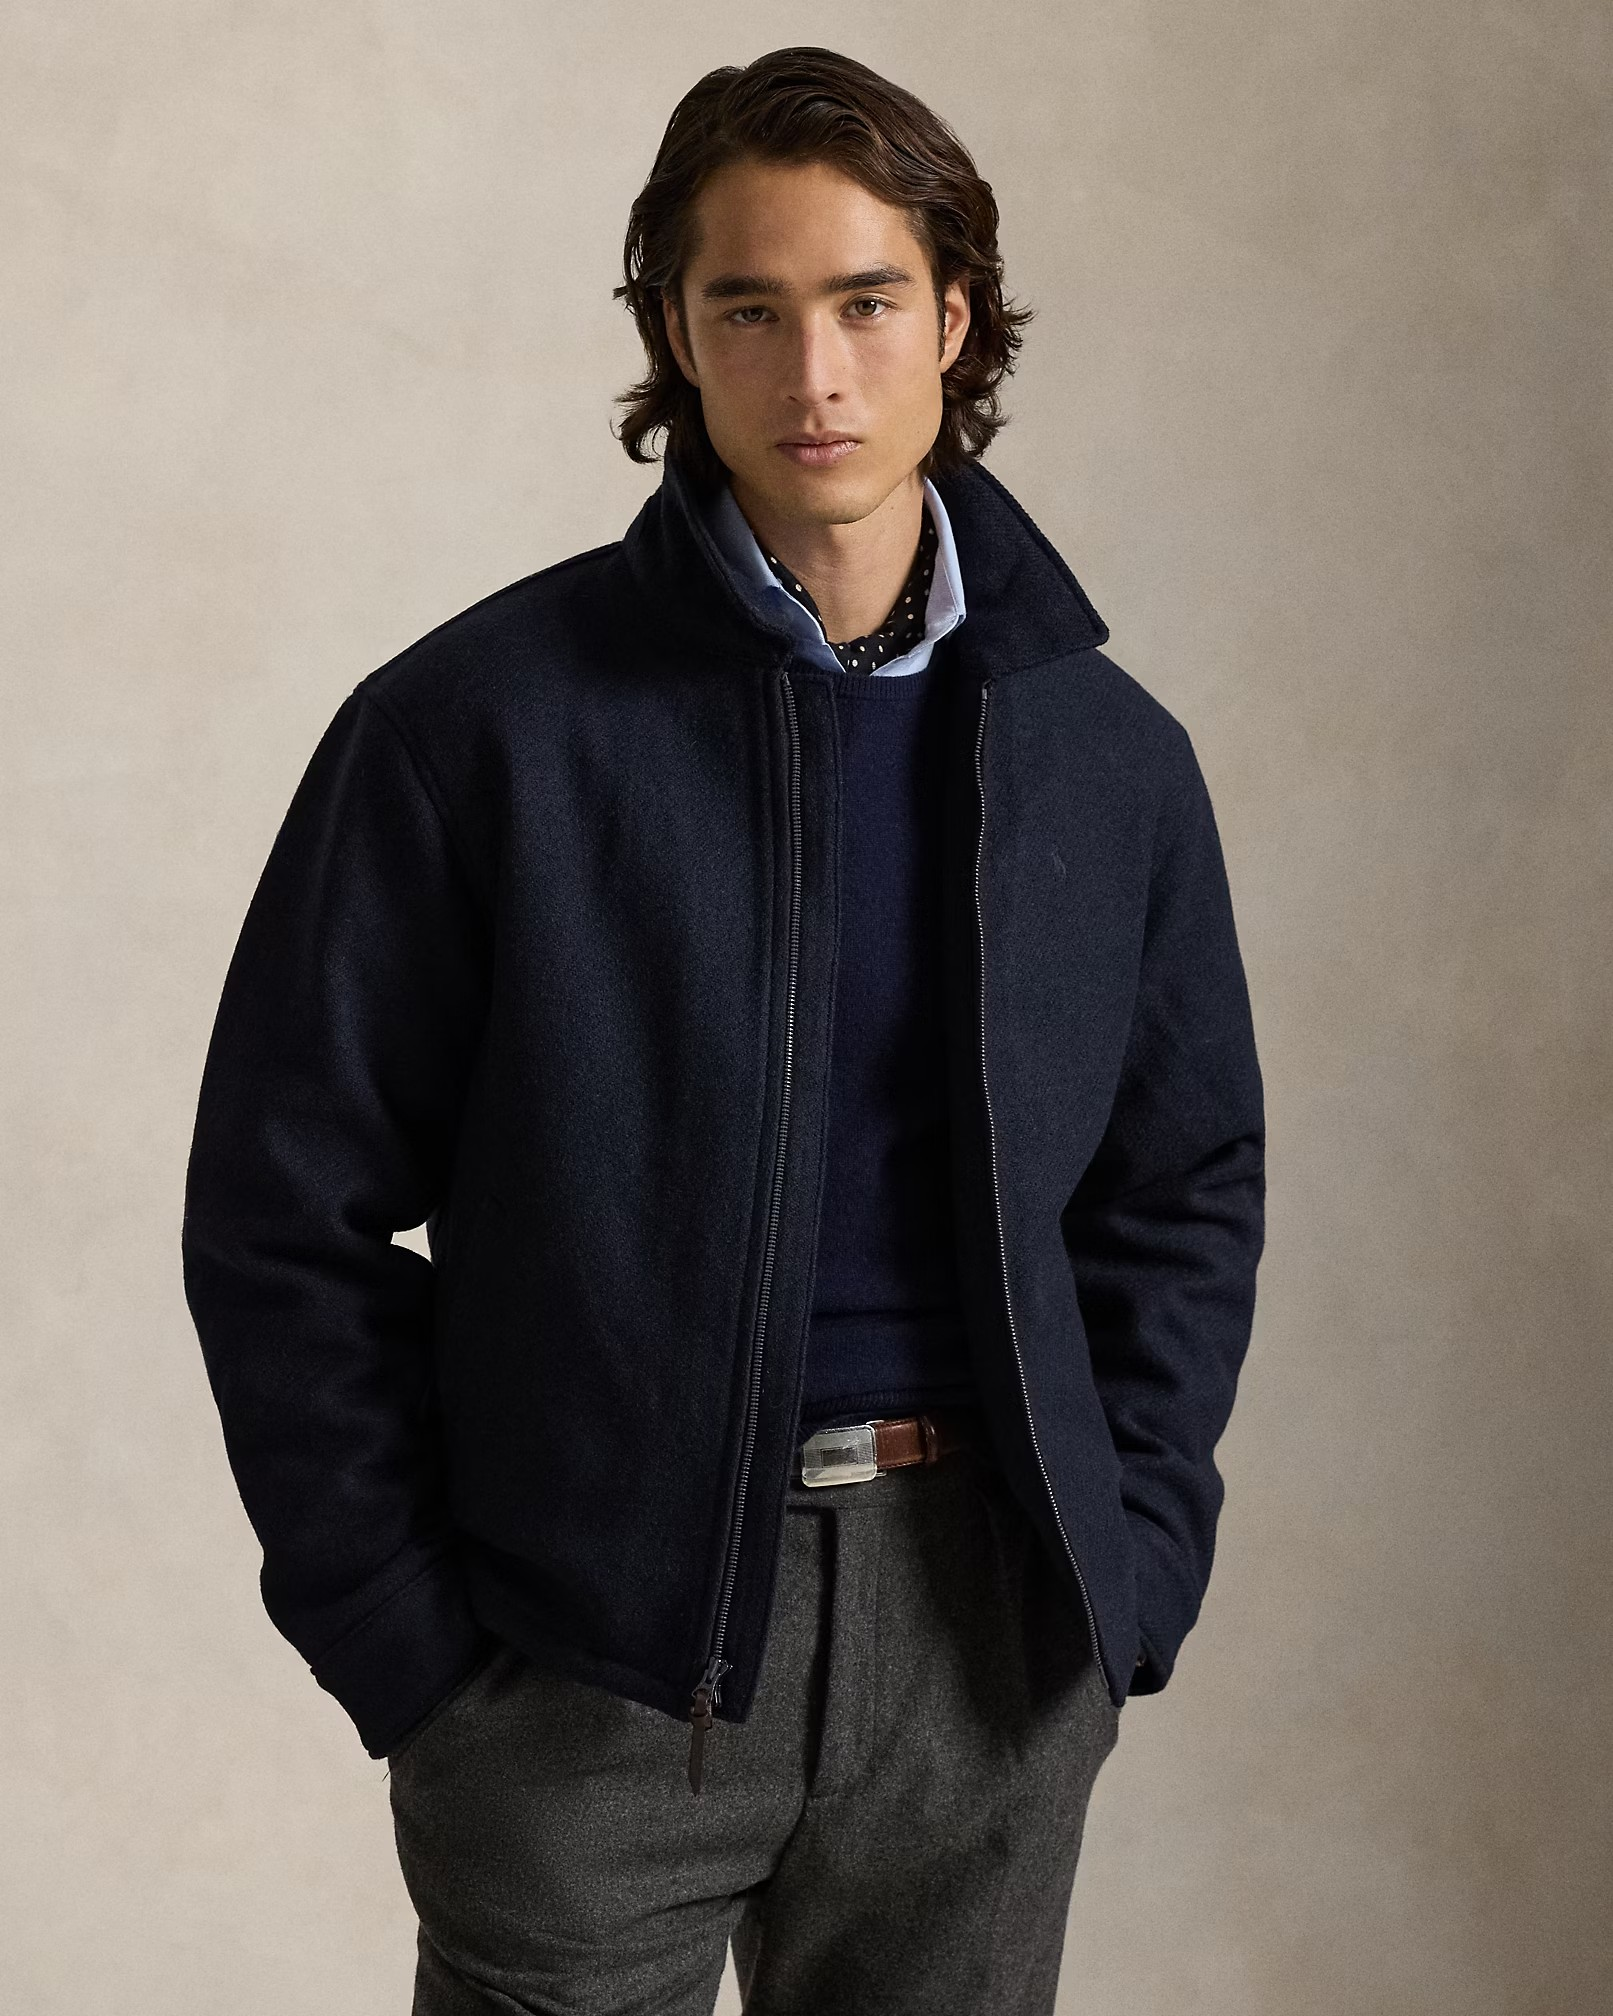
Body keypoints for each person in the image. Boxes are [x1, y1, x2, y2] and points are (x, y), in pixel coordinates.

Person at [181, 44, 1266, 2016]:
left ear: (955, 318)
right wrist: (413, 1649)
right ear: (673, 338)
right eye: (747, 311)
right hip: (583, 1661)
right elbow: (280, 1208)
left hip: (984, 1644)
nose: (813, 374)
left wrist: (1130, 1562)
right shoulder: (473, 730)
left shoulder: (1106, 759)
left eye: (865, 302)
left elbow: (1181, 1182)